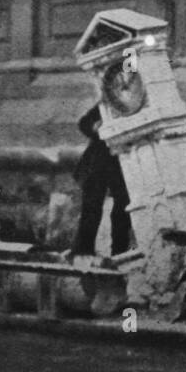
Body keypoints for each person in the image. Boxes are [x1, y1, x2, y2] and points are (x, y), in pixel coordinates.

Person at [72, 103, 132, 257]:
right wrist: (100, 133)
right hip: (98, 162)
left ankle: (119, 251)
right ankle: (84, 250)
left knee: (123, 207)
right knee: (92, 206)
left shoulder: (138, 104)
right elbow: (84, 123)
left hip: (122, 163)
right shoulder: (109, 103)